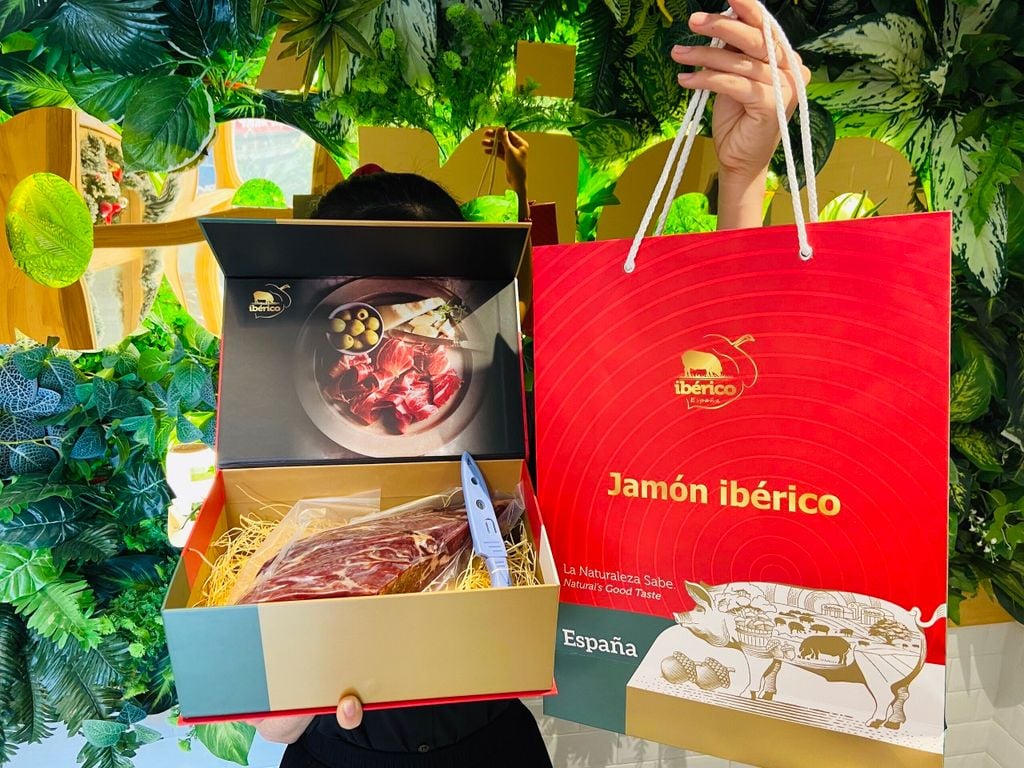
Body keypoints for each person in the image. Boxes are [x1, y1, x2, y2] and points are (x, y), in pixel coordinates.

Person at [255, 0, 809, 764]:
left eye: (425, 314)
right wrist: (301, 687)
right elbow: (273, 721)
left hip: (495, 749)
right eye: (368, 318)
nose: (399, 347)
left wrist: (742, 180)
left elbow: (695, 420)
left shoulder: (521, 425)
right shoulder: (281, 464)